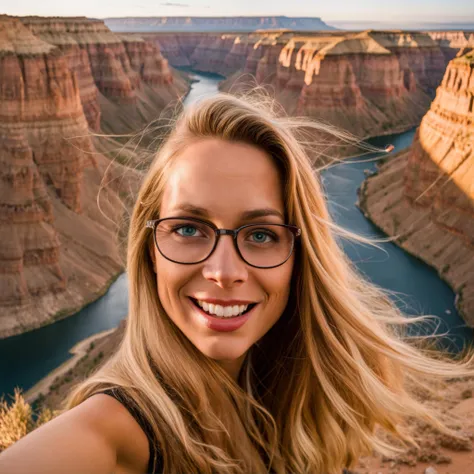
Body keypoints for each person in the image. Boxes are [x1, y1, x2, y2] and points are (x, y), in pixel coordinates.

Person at [0, 93, 473, 474]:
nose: (224, 271)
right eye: (188, 228)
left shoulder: (275, 410)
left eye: (261, 234)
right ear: (149, 250)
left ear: (299, 257)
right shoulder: (109, 436)